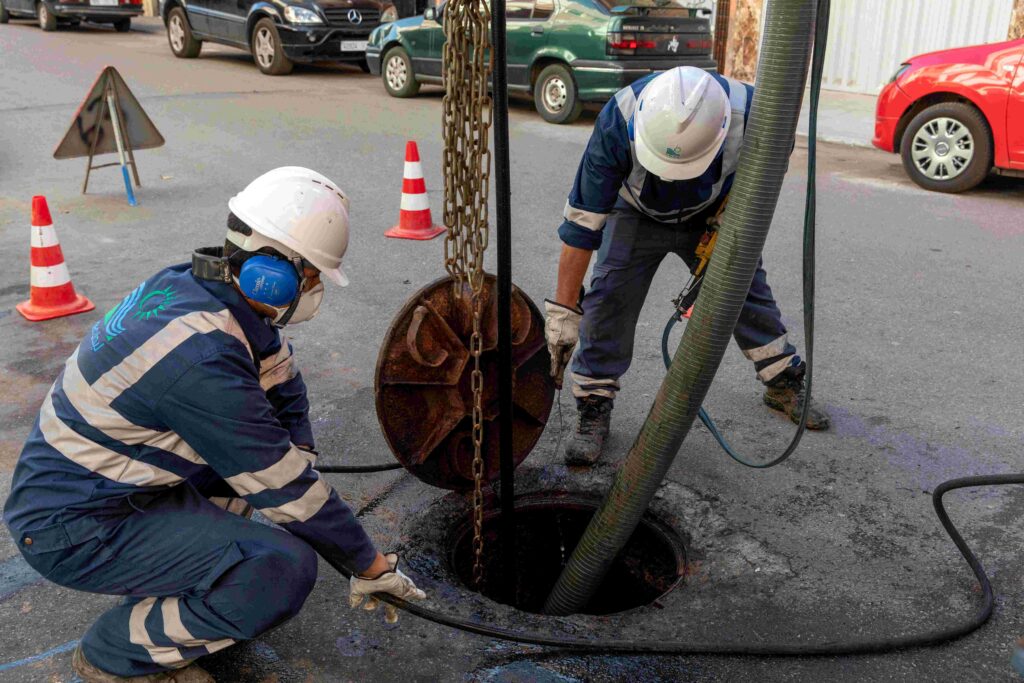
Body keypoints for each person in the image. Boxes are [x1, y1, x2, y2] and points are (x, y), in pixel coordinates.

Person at [3, 167, 425, 682]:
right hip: (71, 528)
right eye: (312, 276)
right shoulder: (200, 356)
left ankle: (191, 581)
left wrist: (301, 457)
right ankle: (115, 651)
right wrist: (369, 565)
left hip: (105, 490)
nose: (314, 290)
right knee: (283, 570)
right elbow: (282, 486)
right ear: (273, 272)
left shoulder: (196, 288)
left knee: (251, 482)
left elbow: (282, 379)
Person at [544, 66, 830, 467]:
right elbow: (581, 227)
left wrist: (731, 215)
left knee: (743, 287)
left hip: (711, 210)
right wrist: (562, 312)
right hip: (636, 213)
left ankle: (782, 379)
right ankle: (594, 403)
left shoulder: (755, 115)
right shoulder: (616, 121)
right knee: (609, 297)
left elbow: (770, 167)